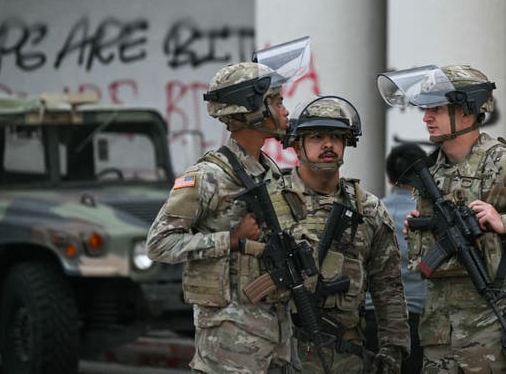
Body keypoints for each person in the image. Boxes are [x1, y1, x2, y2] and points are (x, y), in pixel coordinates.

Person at [376, 65, 506, 372]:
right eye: (426, 109)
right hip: (439, 338)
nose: (426, 117)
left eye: (436, 108)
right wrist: (423, 227)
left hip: (493, 336)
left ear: (467, 111)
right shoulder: (431, 173)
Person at [146, 38, 314, 373]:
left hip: (276, 333)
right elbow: (158, 243)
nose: (285, 111)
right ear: (252, 110)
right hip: (228, 339)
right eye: (278, 102)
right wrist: (230, 239)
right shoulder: (207, 177)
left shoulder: (271, 173)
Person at [282, 95, 410, 373]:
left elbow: (387, 286)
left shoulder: (368, 209)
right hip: (281, 354)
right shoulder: (272, 200)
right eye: (317, 137)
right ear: (297, 145)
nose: (328, 145)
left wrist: (393, 349)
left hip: (345, 356)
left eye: (337, 137)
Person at [382, 143, 428, 374]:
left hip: (376, 320)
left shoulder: (374, 212)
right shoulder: (430, 217)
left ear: (390, 179)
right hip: (421, 320)